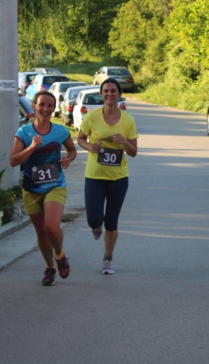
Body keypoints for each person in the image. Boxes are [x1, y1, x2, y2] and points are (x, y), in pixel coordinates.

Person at [10, 91, 77, 286]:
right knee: (40, 231)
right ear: (35, 106)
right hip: (32, 187)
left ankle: (60, 255)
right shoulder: (24, 132)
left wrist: (68, 159)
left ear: (54, 108)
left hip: (55, 185)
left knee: (51, 227)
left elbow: (72, 150)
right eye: (42, 105)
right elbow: (13, 160)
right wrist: (31, 148)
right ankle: (50, 268)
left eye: (50, 106)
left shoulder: (60, 131)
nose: (46, 109)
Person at [77, 78, 138, 274]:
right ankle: (96, 227)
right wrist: (90, 146)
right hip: (95, 175)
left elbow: (134, 151)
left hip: (118, 177)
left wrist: (124, 143)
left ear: (119, 94)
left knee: (111, 222)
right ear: (101, 94)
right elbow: (80, 139)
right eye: (106, 91)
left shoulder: (128, 120)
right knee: (94, 219)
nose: (109, 94)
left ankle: (108, 258)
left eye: (113, 91)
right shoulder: (92, 117)